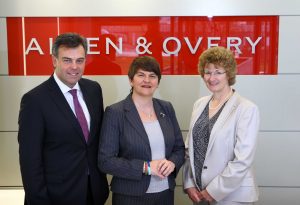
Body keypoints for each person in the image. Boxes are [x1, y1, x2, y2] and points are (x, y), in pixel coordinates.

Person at [18, 33, 109, 205]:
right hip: (56, 196)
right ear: (54, 61)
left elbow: (94, 143)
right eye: (67, 60)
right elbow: (30, 161)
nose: (74, 67)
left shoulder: (94, 90)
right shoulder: (35, 100)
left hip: (94, 192)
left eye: (80, 60)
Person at [98, 56, 185, 205]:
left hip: (165, 194)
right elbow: (105, 161)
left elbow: (179, 148)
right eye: (141, 75)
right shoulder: (115, 112)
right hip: (130, 196)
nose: (147, 80)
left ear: (157, 82)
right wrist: (146, 167)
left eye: (152, 76)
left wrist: (172, 163)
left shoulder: (166, 108)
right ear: (131, 80)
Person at [183, 46, 260, 205]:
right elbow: (189, 148)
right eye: (208, 72)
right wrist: (189, 183)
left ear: (229, 74)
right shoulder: (199, 104)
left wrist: (212, 191)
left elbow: (242, 160)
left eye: (218, 72)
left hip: (233, 196)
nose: (212, 78)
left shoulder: (246, 108)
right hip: (199, 193)